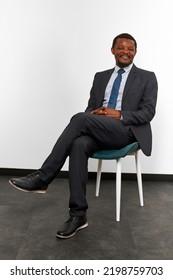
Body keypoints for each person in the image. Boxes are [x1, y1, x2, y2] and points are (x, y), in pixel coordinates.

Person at [9, 33, 158, 239]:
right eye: (121, 47)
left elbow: (148, 112)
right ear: (112, 50)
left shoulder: (147, 77)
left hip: (126, 131)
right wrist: (95, 113)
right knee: (78, 144)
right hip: (101, 128)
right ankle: (78, 215)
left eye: (130, 48)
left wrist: (119, 114)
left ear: (135, 52)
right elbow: (90, 107)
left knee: (79, 119)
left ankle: (43, 177)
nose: (126, 51)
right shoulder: (100, 76)